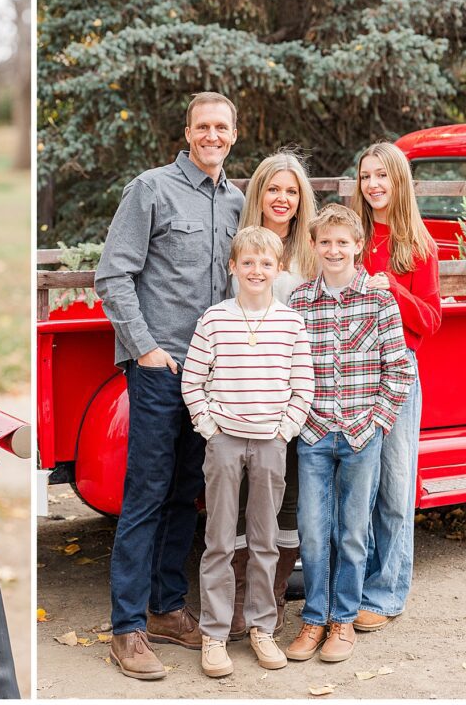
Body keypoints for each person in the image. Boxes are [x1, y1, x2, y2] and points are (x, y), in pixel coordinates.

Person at [94, 91, 244, 680]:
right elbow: (114, 273)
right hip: (161, 368)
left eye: (222, 127)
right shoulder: (151, 189)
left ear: (233, 134)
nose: (212, 134)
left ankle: (165, 609)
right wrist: (147, 350)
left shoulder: (236, 200)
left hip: (213, 374)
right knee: (147, 495)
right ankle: (126, 628)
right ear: (187, 132)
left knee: (187, 493)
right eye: (202, 125)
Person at [182, 226, 314, 676]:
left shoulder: (291, 323)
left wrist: (284, 431)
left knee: (264, 540)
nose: (256, 270)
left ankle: (262, 627)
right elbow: (193, 380)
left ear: (278, 271)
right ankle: (215, 634)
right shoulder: (215, 319)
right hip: (224, 443)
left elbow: (303, 386)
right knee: (219, 539)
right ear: (233, 267)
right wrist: (210, 428)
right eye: (248, 263)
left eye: (266, 264)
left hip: (270, 443)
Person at [286, 204, 414, 663]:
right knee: (314, 531)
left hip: (362, 434)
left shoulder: (379, 302)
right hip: (315, 432)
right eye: (326, 242)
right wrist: (300, 418)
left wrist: (378, 422)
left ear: (359, 247)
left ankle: (343, 619)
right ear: (314, 247)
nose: (334, 249)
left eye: (344, 242)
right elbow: (290, 367)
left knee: (354, 531)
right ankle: (313, 618)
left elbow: (398, 369)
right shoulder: (300, 302)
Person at [226, 150, 318, 641]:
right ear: (259, 192)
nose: (281, 199)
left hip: (293, 398)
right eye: (273, 189)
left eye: (291, 190)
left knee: (286, 502)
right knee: (242, 501)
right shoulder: (241, 245)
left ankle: (274, 596)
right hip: (243, 396)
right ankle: (240, 599)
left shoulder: (311, 252)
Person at [351, 141, 441, 631]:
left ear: (398, 181)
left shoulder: (416, 245)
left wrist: (394, 287)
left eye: (382, 175)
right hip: (349, 371)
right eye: (366, 176)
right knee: (356, 487)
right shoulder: (351, 235)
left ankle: (385, 594)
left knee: (394, 485)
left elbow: (431, 320)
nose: (374, 184)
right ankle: (353, 587)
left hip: (396, 371)